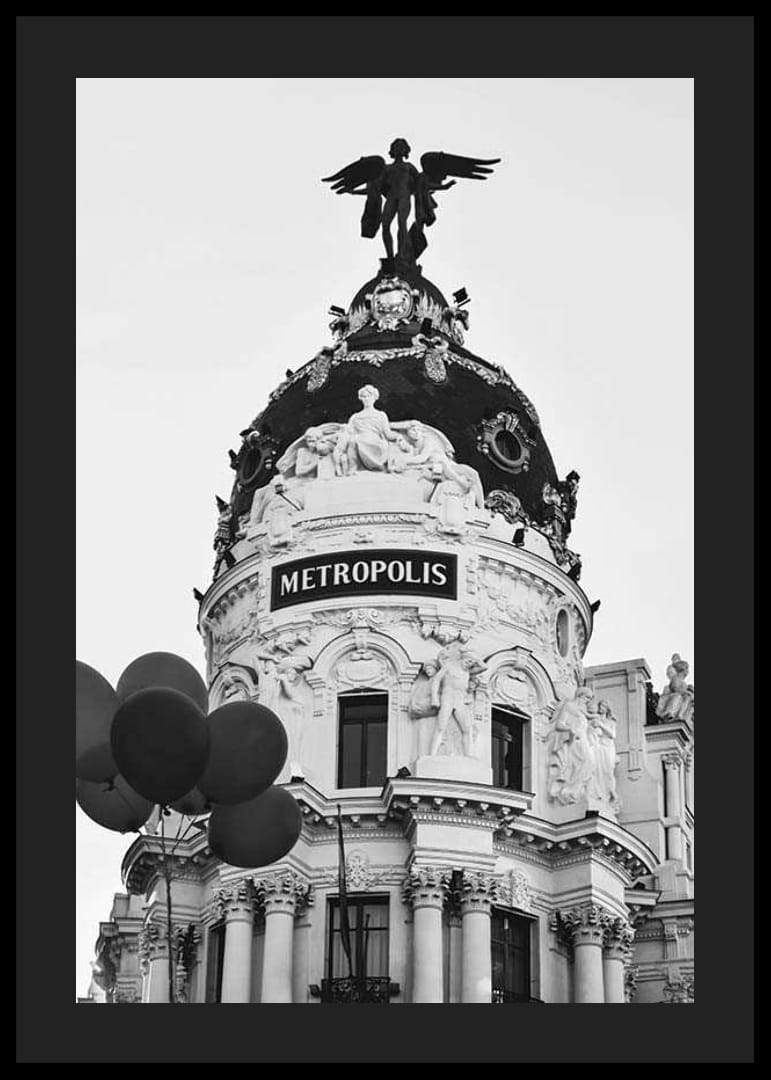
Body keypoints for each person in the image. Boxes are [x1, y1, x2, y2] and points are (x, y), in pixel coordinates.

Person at [335, 385, 398, 474]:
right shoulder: (356, 416)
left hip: (376, 441)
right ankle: (353, 467)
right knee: (352, 440)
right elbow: (348, 431)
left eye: (369, 396)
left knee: (379, 444)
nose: (367, 399)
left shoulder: (381, 415)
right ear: (361, 398)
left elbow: (387, 433)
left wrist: (398, 437)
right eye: (364, 397)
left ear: (374, 398)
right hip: (359, 438)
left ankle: (379, 465)